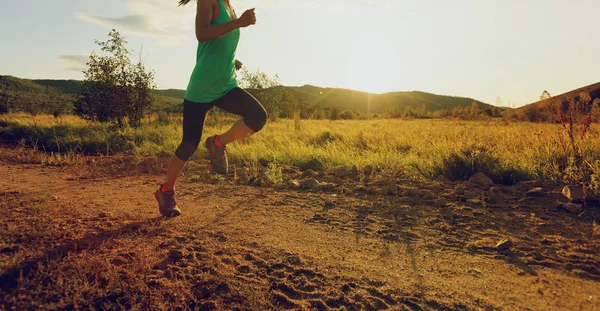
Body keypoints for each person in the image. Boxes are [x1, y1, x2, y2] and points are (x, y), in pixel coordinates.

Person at [155, 0, 268, 217]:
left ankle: (217, 143)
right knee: (188, 145)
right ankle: (166, 191)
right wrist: (239, 22)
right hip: (202, 88)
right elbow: (202, 33)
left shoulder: (228, 5)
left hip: (225, 85)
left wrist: (230, 60)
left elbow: (220, 43)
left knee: (257, 117)